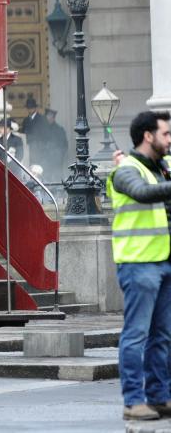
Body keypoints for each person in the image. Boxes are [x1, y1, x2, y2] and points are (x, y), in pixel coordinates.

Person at [106, 110, 171, 421]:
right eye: (166, 134)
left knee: (163, 335)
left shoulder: (163, 168)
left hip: (163, 261)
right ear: (149, 136)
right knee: (136, 335)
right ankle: (133, 401)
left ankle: (160, 397)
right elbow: (142, 194)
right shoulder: (125, 171)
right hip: (138, 263)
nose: (170, 140)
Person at [20, 96, 48, 168]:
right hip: (28, 148)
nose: (30, 109)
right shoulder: (25, 120)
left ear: (35, 108)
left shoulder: (42, 119)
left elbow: (45, 134)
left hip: (39, 148)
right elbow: (22, 133)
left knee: (38, 168)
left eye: (31, 107)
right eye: (28, 108)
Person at [44, 108, 68, 182]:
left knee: (58, 177)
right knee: (46, 178)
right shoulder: (42, 129)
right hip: (45, 159)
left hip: (57, 159)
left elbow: (64, 145)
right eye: (48, 117)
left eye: (51, 117)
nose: (49, 119)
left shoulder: (59, 130)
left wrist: (60, 155)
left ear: (53, 118)